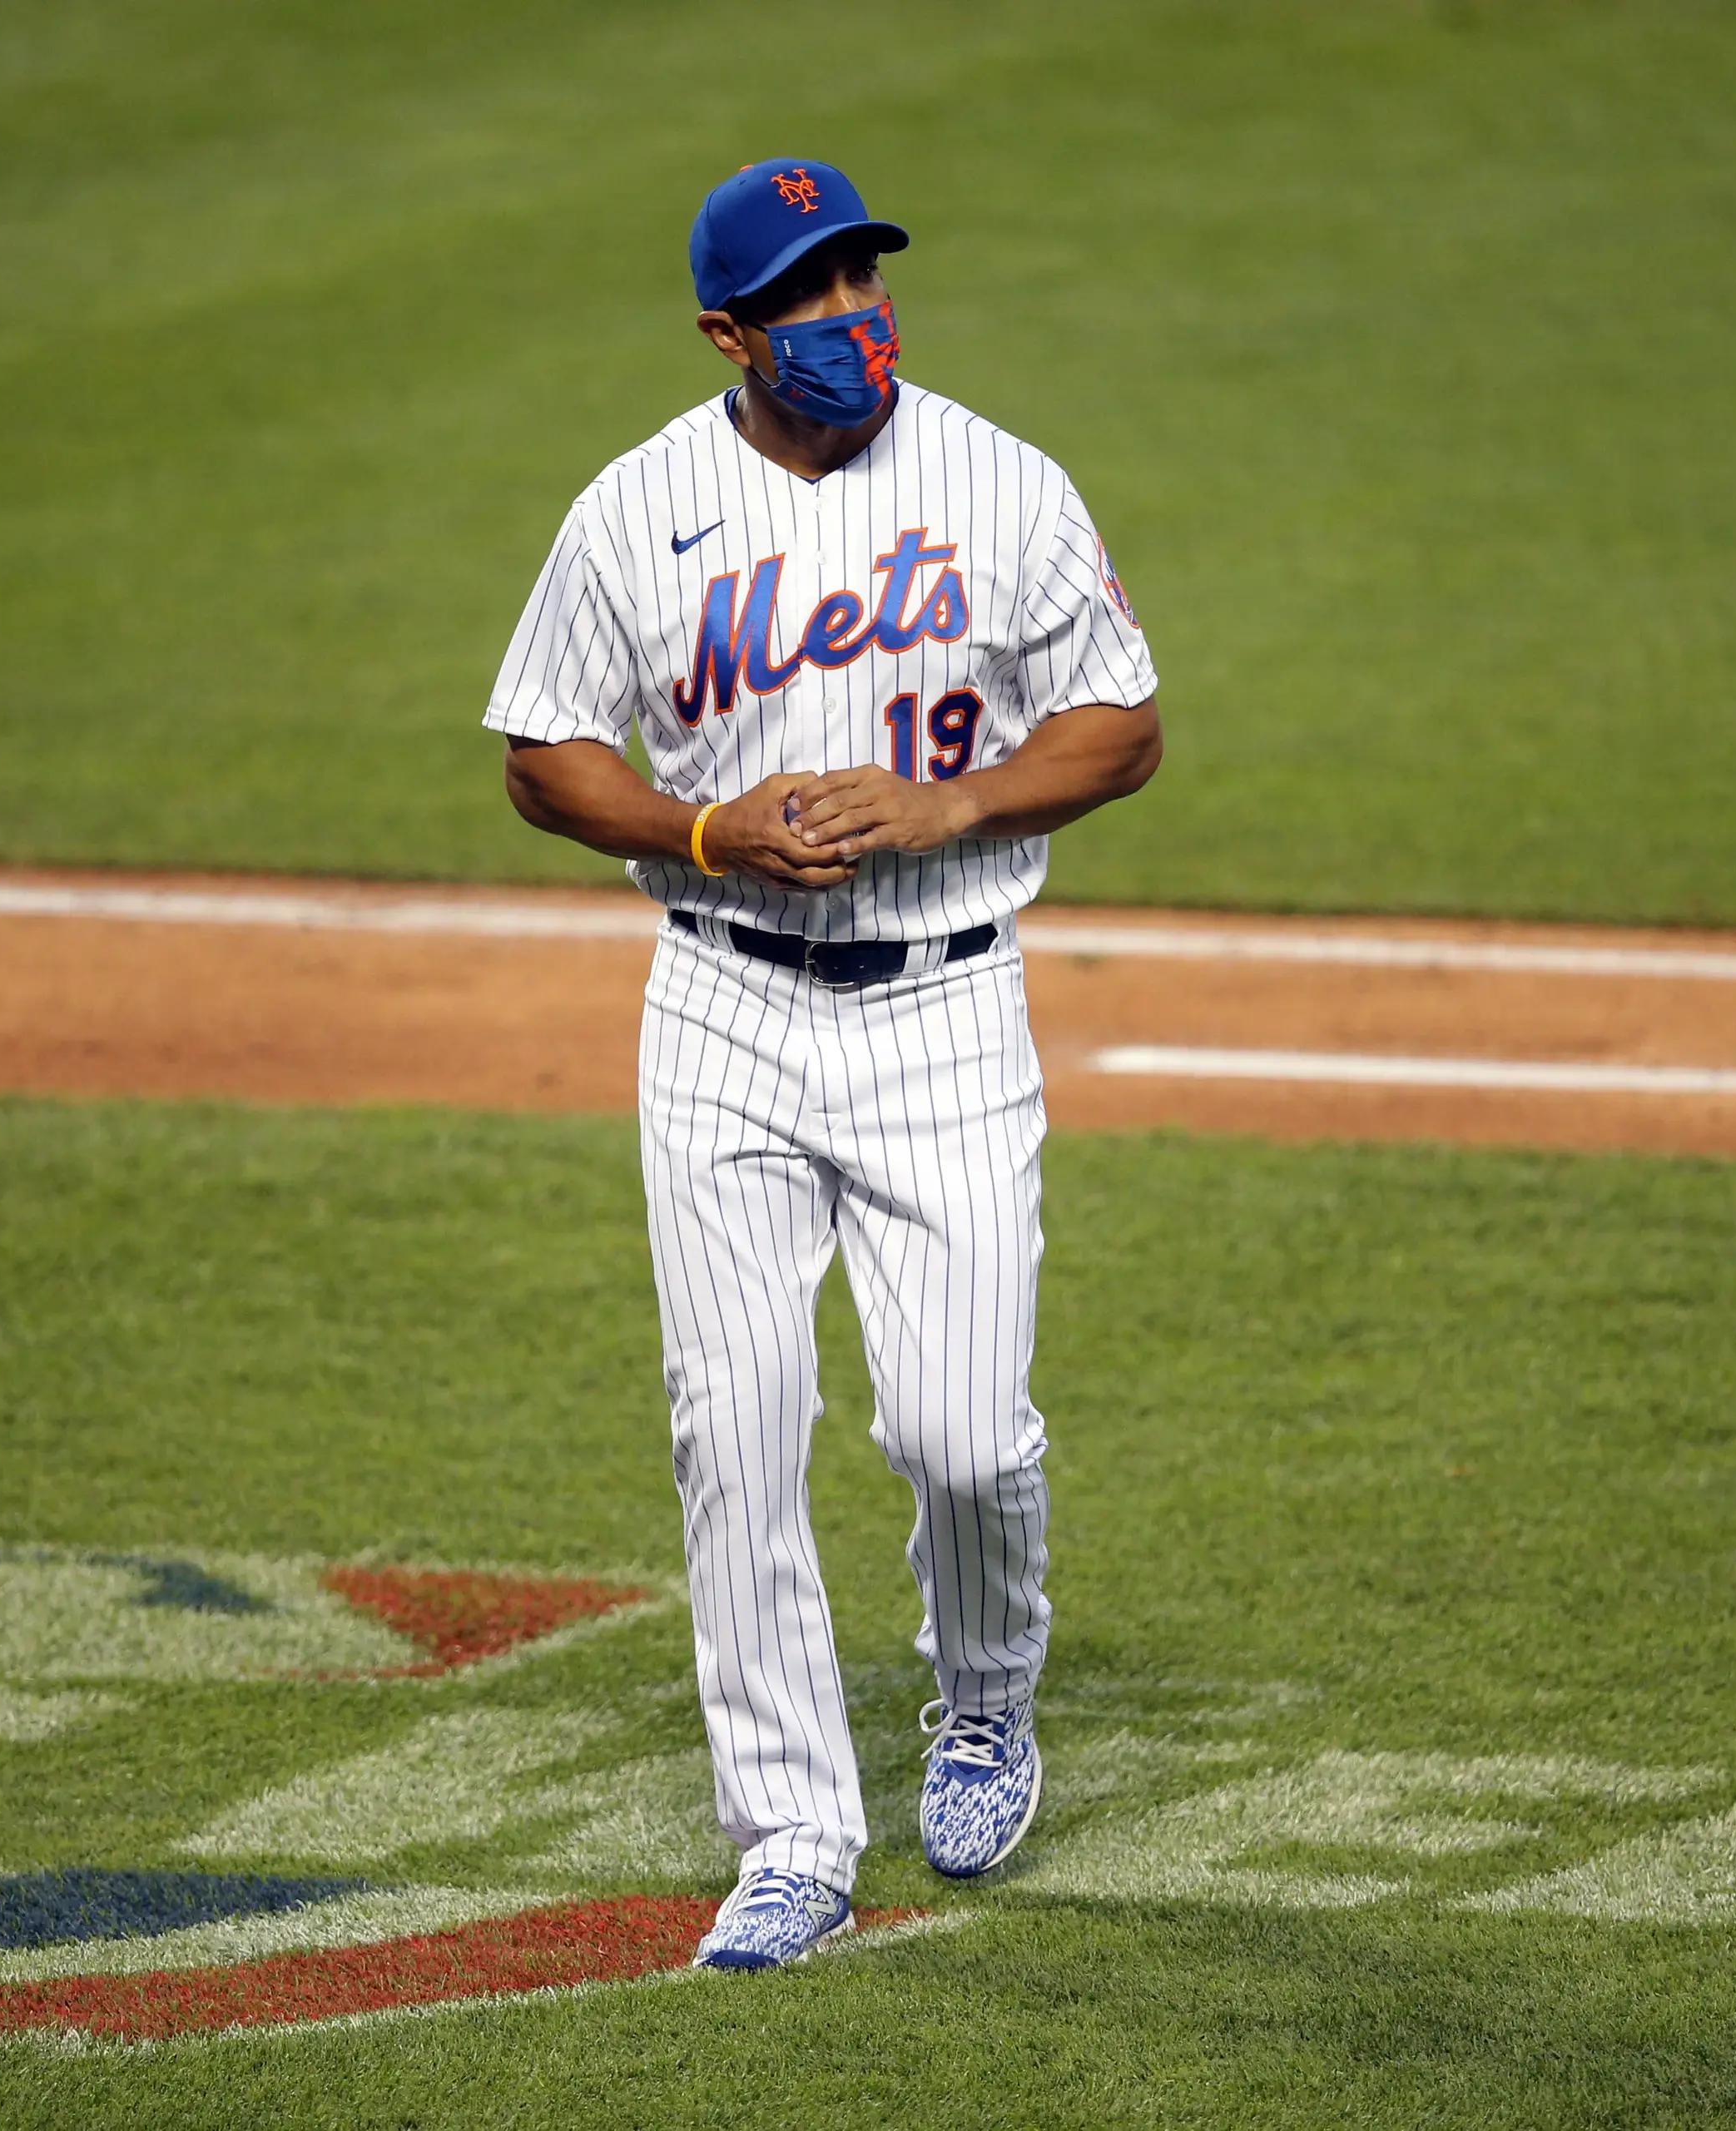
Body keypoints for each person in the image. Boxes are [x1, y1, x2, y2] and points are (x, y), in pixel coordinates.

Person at [483, 158, 1160, 1970]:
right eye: (811, 295)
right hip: (723, 1008)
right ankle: (790, 1826)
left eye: (866, 275)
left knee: (959, 1430)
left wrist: (955, 799)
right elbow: (545, 746)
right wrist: (704, 834)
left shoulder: (1000, 480)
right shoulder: (637, 511)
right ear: (729, 333)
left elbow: (1124, 719)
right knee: (737, 1424)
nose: (856, 315)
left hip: (944, 1008)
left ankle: (985, 1698)